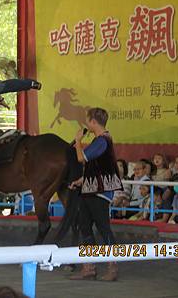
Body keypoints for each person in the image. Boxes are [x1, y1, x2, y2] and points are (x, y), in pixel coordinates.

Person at [69, 107, 122, 281]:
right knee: (85, 227)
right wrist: (82, 180)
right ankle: (89, 267)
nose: (86, 124)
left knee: (104, 229)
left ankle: (112, 267)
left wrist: (78, 141)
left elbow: (81, 158)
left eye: (87, 120)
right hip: (90, 190)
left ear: (92, 121)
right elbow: (98, 167)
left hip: (100, 193)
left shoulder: (102, 141)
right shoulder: (101, 141)